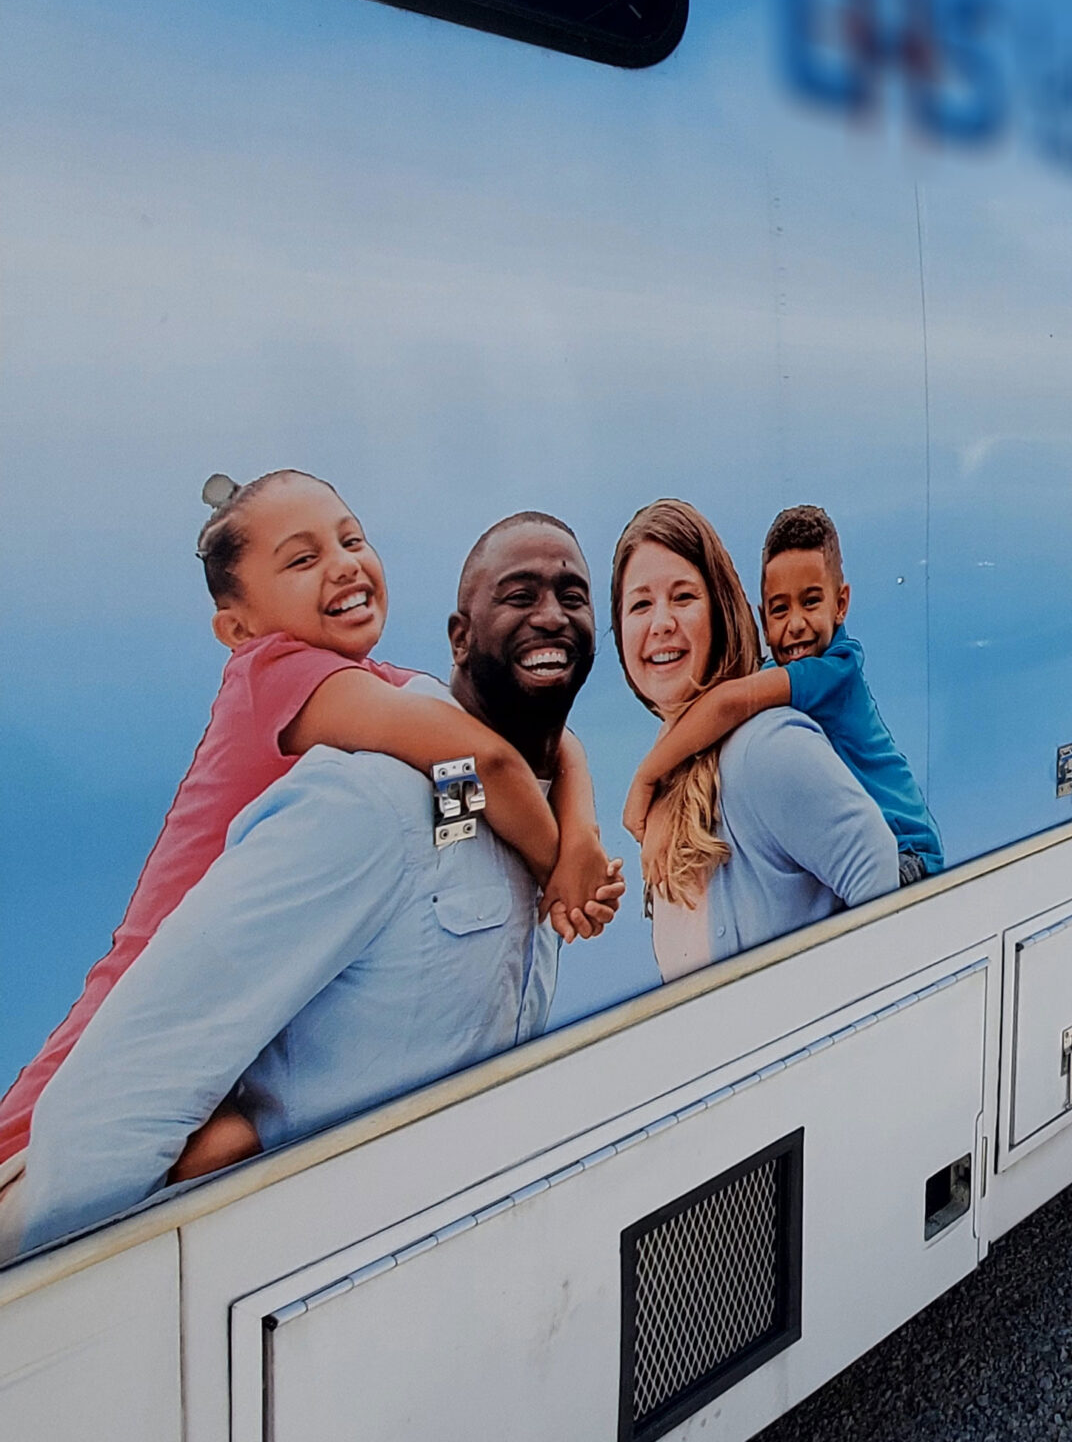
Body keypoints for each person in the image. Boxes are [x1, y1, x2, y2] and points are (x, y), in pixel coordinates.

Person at [0, 513, 621, 1263]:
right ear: (461, 636)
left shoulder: (457, 790)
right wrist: (78, 1313)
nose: (551, 614)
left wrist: (573, 833)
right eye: (519, 595)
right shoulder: (368, 799)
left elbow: (493, 775)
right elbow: (102, 1111)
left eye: (573, 595)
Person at [612, 500, 899, 984]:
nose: (660, 622)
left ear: (722, 611)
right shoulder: (678, 763)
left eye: (683, 597)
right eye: (640, 604)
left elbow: (878, 871)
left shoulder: (764, 749)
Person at [622, 503, 942, 884]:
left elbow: (725, 703)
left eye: (810, 602)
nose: (795, 624)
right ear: (762, 618)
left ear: (840, 604)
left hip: (907, 855)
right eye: (779, 609)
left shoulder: (836, 669)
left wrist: (647, 776)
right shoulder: (775, 673)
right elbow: (708, 717)